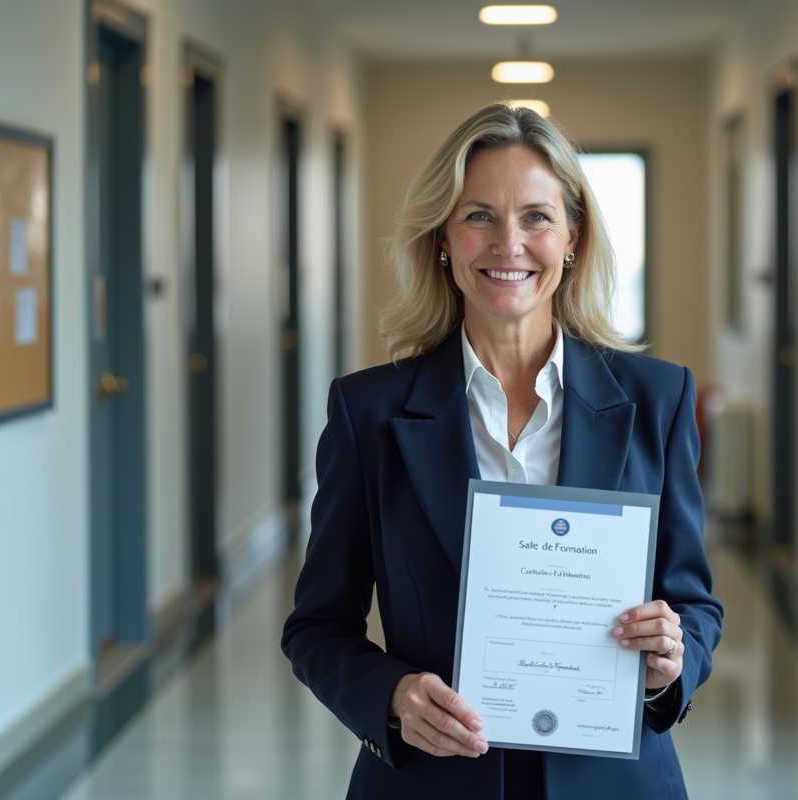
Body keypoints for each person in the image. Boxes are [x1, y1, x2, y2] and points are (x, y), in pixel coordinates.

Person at [281, 103, 723, 799]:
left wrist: (675, 659)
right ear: (443, 240)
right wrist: (393, 695)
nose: (508, 244)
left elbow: (695, 606)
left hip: (614, 781)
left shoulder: (658, 401)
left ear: (573, 237)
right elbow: (316, 627)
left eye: (537, 218)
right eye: (479, 216)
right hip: (431, 781)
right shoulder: (366, 413)